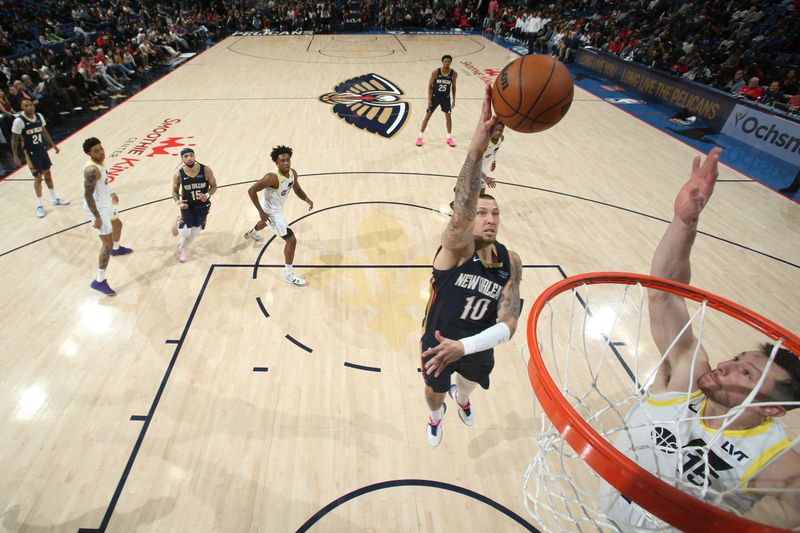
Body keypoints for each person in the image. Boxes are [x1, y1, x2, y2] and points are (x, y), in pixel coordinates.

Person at [601, 148, 800, 529]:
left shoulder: (773, 456)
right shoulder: (688, 379)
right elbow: (663, 293)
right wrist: (684, 221)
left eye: (746, 375)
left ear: (772, 408)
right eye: (739, 358)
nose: (727, 366)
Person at [420, 84, 523, 447]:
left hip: (477, 345)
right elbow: (462, 211)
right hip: (436, 340)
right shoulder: (455, 253)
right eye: (482, 213)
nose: (490, 218)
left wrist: (466, 347)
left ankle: (461, 399)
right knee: (434, 394)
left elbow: (509, 323)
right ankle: (436, 417)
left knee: (468, 385)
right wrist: (476, 150)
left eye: (495, 213)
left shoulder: (510, 261)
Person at [244, 145, 314, 286]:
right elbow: (251, 190)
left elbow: (297, 188)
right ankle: (288, 274)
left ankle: (252, 232)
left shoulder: (292, 173)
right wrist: (261, 212)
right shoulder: (271, 177)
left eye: (288, 160)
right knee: (291, 240)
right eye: (282, 161)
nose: (286, 163)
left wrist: (306, 199)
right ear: (276, 163)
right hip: (271, 212)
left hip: (274, 208)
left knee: (264, 222)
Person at [82, 137, 133, 296]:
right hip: (97, 208)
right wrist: (96, 216)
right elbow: (88, 195)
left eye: (101, 148)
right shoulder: (91, 170)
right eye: (96, 151)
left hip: (105, 203)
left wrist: (111, 191)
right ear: (89, 153)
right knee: (106, 244)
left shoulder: (101, 163)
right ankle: (99, 281)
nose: (101, 152)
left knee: (118, 225)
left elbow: (103, 182)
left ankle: (117, 249)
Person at [10, 98, 68, 218]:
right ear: (22, 108)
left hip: (42, 150)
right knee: (38, 178)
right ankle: (40, 205)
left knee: (48, 175)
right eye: (26, 105)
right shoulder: (19, 121)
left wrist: (53, 145)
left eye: (31, 105)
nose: (29, 107)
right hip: (30, 153)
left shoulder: (39, 116)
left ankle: (54, 199)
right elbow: (14, 140)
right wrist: (15, 156)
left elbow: (44, 132)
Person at [170, 147, 217, 262]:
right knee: (185, 232)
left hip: (202, 205)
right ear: (182, 159)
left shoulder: (205, 170)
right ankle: (181, 244)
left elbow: (214, 186)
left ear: (194, 156)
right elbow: (175, 191)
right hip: (188, 205)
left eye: (191, 155)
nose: (189, 158)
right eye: (186, 156)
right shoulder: (179, 175)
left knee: (194, 232)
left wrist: (207, 195)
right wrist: (178, 202)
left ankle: (181, 246)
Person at [416, 54, 458, 148]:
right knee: (427, 117)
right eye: (445, 61)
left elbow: (454, 87)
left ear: (451, 62)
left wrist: (454, 100)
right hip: (435, 97)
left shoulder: (453, 73)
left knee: (448, 117)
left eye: (448, 61)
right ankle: (420, 137)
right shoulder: (436, 72)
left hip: (446, 98)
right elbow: (430, 86)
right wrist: (429, 100)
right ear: (442, 62)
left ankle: (449, 138)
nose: (447, 63)